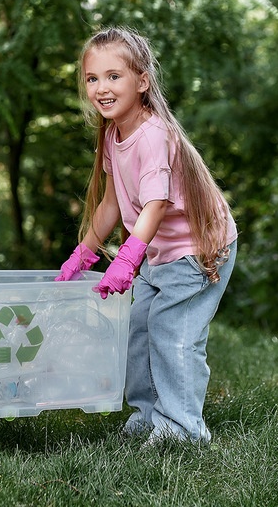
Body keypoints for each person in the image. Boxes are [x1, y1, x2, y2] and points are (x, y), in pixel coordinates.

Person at [54, 26, 239, 445]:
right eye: (92, 78)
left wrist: (126, 259)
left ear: (142, 81)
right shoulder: (113, 131)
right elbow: (111, 204)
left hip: (197, 250)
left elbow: (154, 205)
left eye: (114, 76)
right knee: (138, 329)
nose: (101, 87)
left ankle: (182, 429)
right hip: (159, 253)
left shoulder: (153, 136)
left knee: (173, 335)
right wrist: (82, 254)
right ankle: (150, 414)